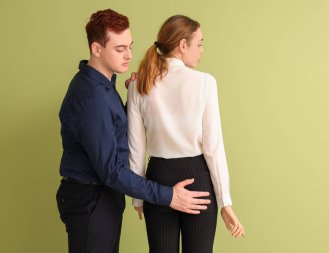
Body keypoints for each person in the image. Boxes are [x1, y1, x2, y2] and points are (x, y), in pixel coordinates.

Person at [56, 9, 211, 253]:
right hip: (91, 200)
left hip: (102, 198)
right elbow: (111, 170)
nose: (129, 55)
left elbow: (112, 131)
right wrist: (167, 195)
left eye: (130, 46)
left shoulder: (104, 86)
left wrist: (133, 99)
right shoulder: (92, 97)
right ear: (97, 49)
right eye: (120, 49)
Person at [127, 15, 245, 253]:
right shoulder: (205, 83)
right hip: (197, 179)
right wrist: (225, 201)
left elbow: (136, 148)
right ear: (183, 45)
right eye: (199, 43)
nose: (201, 50)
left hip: (157, 179)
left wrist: (138, 197)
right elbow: (213, 148)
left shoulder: (139, 86)